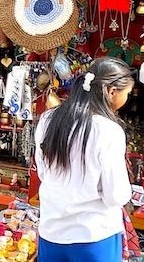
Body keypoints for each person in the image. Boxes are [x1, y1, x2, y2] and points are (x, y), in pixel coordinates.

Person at [35, 57, 134, 261]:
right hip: (94, 237)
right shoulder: (108, 130)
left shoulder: (47, 120)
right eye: (128, 93)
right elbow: (115, 195)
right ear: (111, 91)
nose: (127, 98)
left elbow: (44, 173)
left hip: (51, 232)